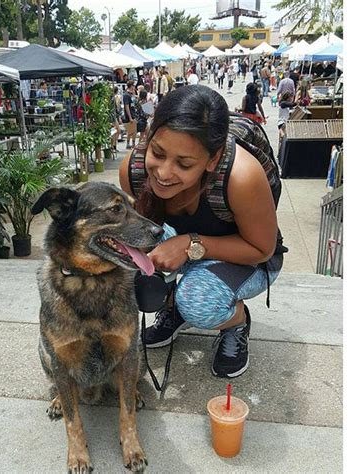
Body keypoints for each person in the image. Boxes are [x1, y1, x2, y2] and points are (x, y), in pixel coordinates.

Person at [119, 85, 284, 378]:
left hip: (249, 257)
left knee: (198, 301)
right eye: (157, 152)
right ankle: (174, 308)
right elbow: (142, 234)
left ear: (212, 159)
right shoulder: (133, 170)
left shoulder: (241, 177)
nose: (164, 173)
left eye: (184, 164)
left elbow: (262, 249)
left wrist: (189, 243)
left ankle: (235, 321)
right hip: (190, 246)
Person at [122, 80, 137, 149]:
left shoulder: (131, 94)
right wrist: (130, 117)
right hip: (130, 115)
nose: (134, 87)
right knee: (131, 130)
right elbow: (126, 106)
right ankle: (129, 143)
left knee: (133, 130)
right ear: (131, 86)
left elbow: (133, 103)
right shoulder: (126, 95)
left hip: (133, 113)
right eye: (133, 85)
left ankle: (132, 143)